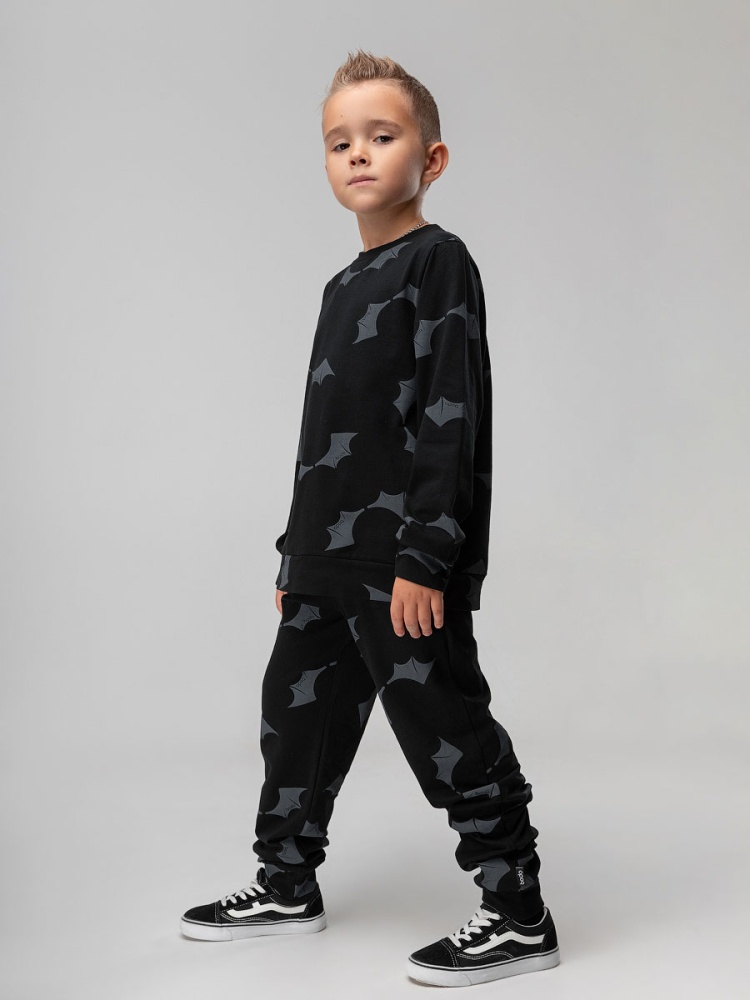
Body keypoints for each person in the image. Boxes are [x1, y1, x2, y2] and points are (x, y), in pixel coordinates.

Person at [180, 49, 560, 987]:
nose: (357, 154)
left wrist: (428, 555)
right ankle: (285, 883)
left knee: (442, 720)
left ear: (431, 160)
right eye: (338, 141)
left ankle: (519, 912)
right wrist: (294, 557)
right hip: (325, 558)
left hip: (400, 561)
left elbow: (449, 416)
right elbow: (323, 436)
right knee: (293, 720)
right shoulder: (341, 286)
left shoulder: (438, 262)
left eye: (381, 136)